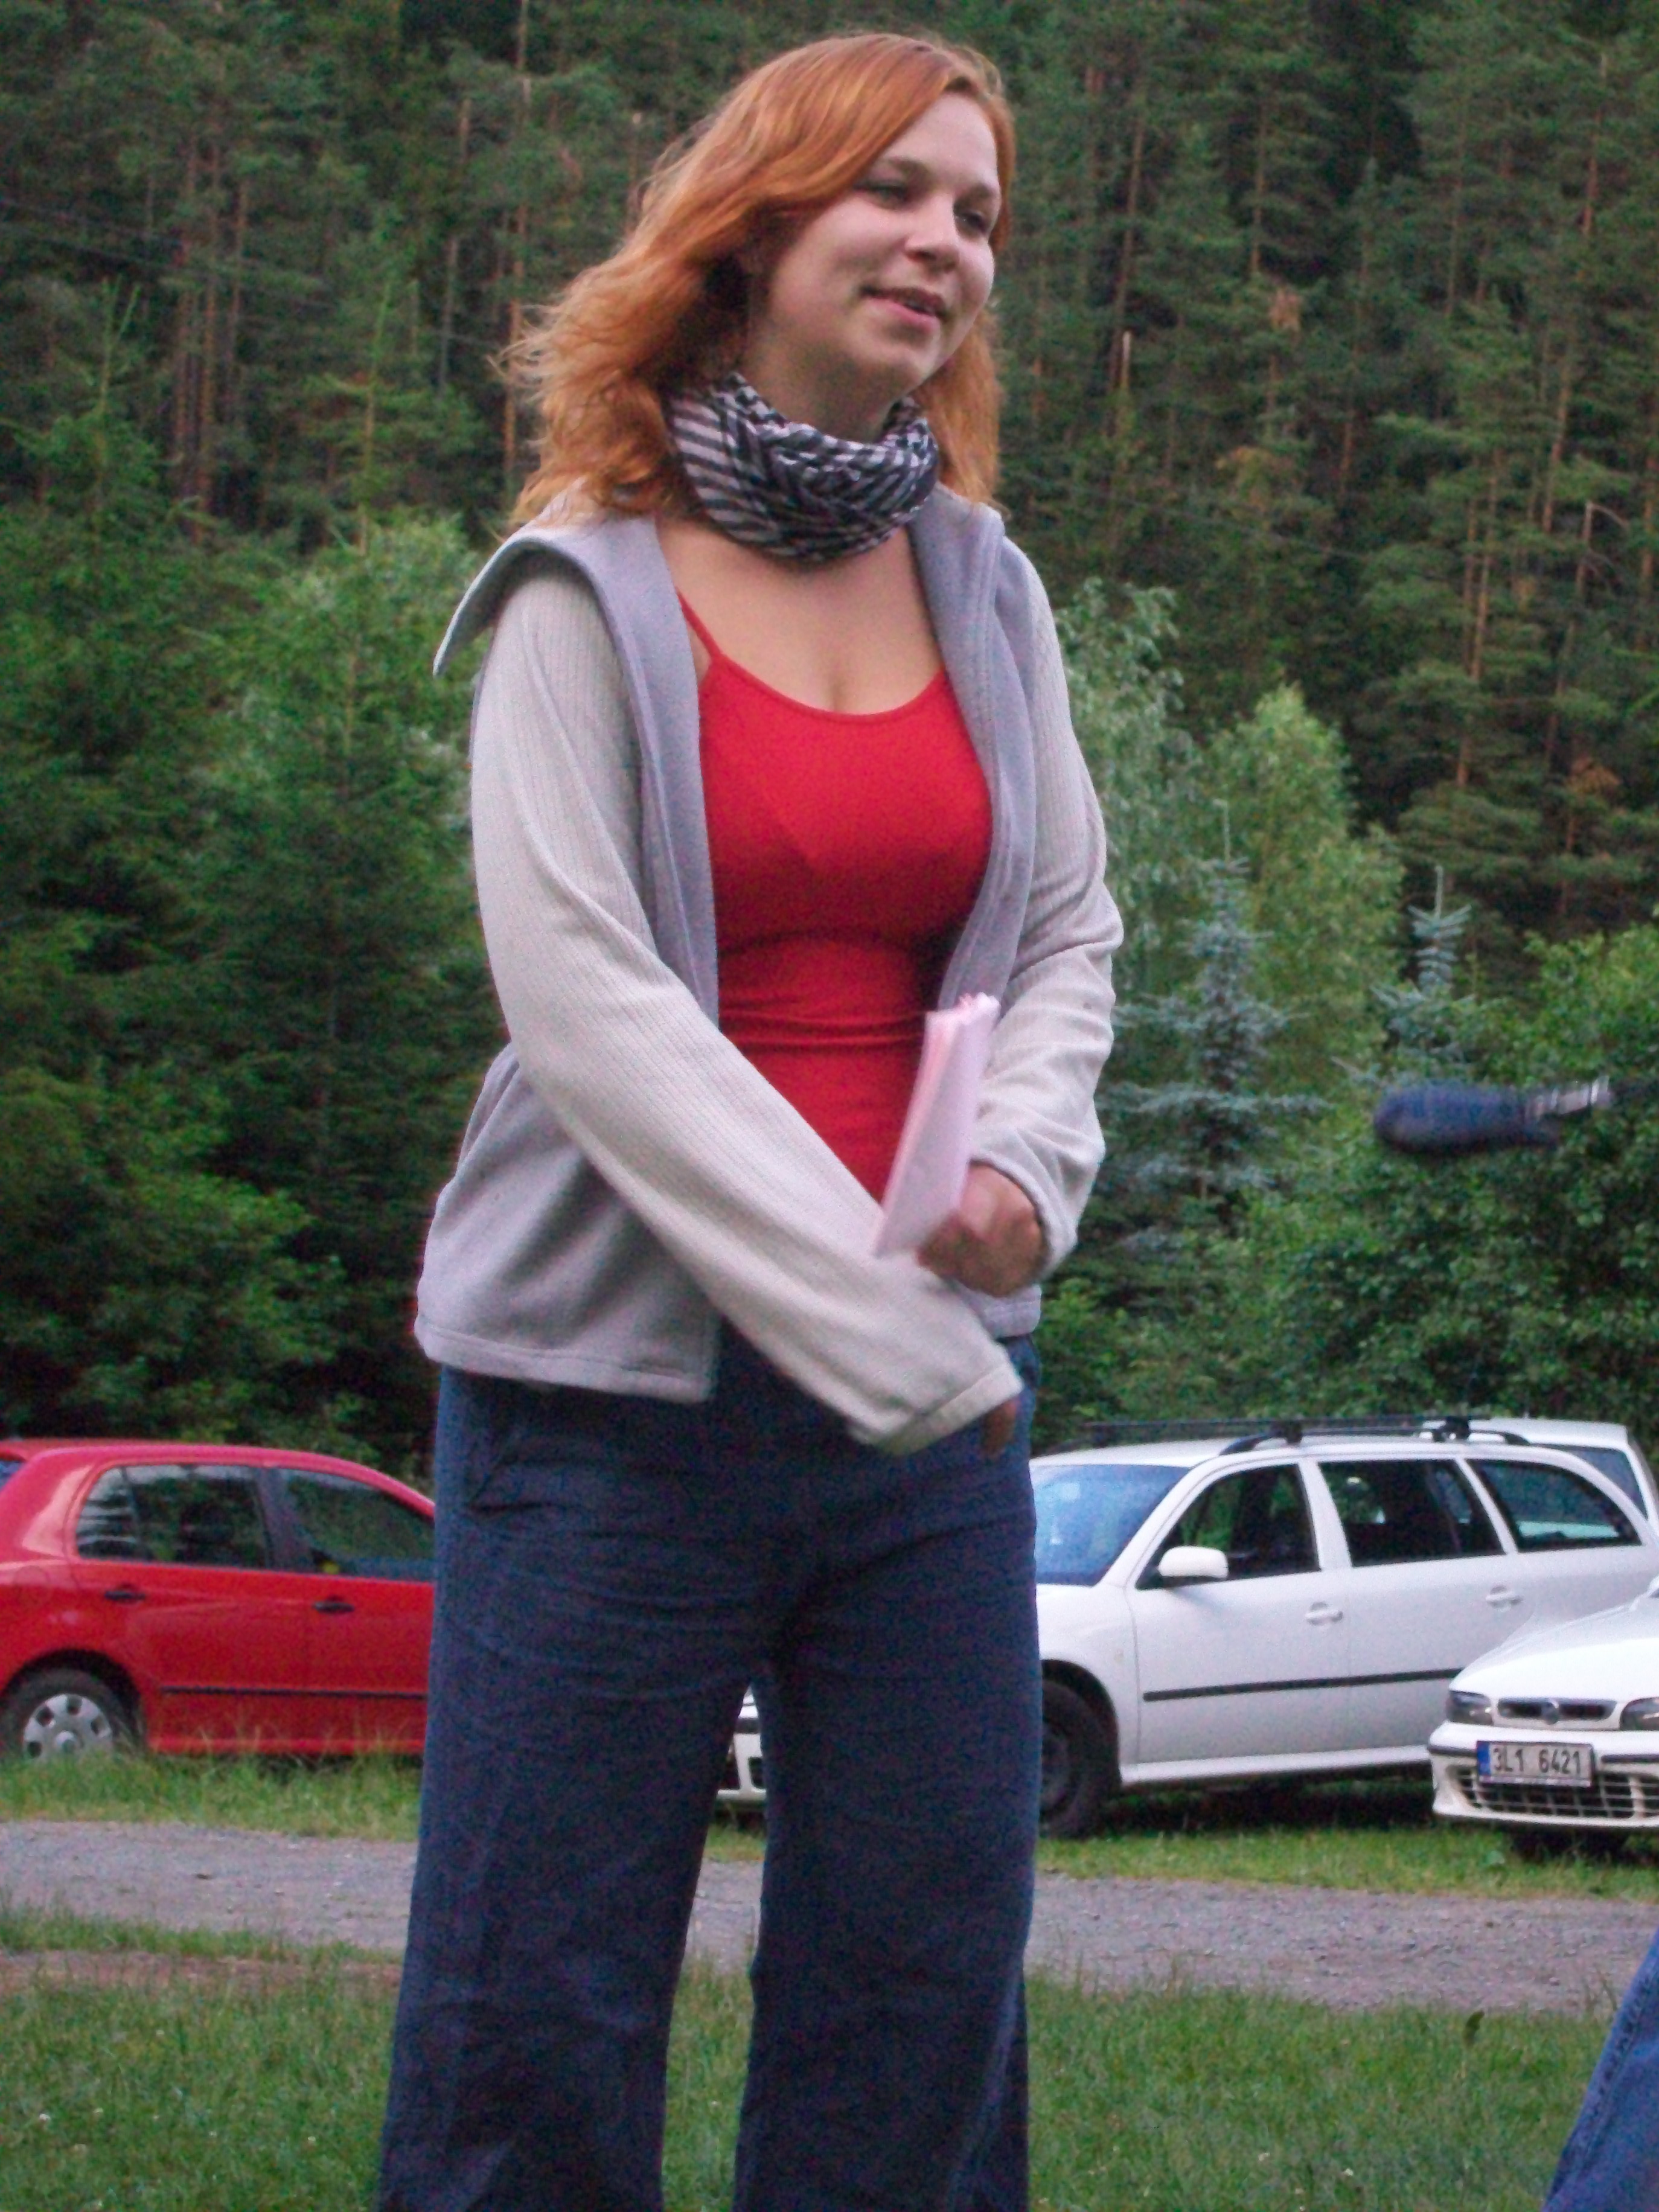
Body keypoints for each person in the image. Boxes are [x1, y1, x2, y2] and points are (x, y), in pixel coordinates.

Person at [377, 31, 1120, 2212]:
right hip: (607, 1405)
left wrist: (1023, 1179)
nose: (941, 242)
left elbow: (1066, 927)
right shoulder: (580, 585)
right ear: (757, 219)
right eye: (893, 190)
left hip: (925, 1426)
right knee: (537, 2002)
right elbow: (587, 1008)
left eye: (976, 213)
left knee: (920, 1992)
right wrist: (903, 1349)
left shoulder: (983, 585)